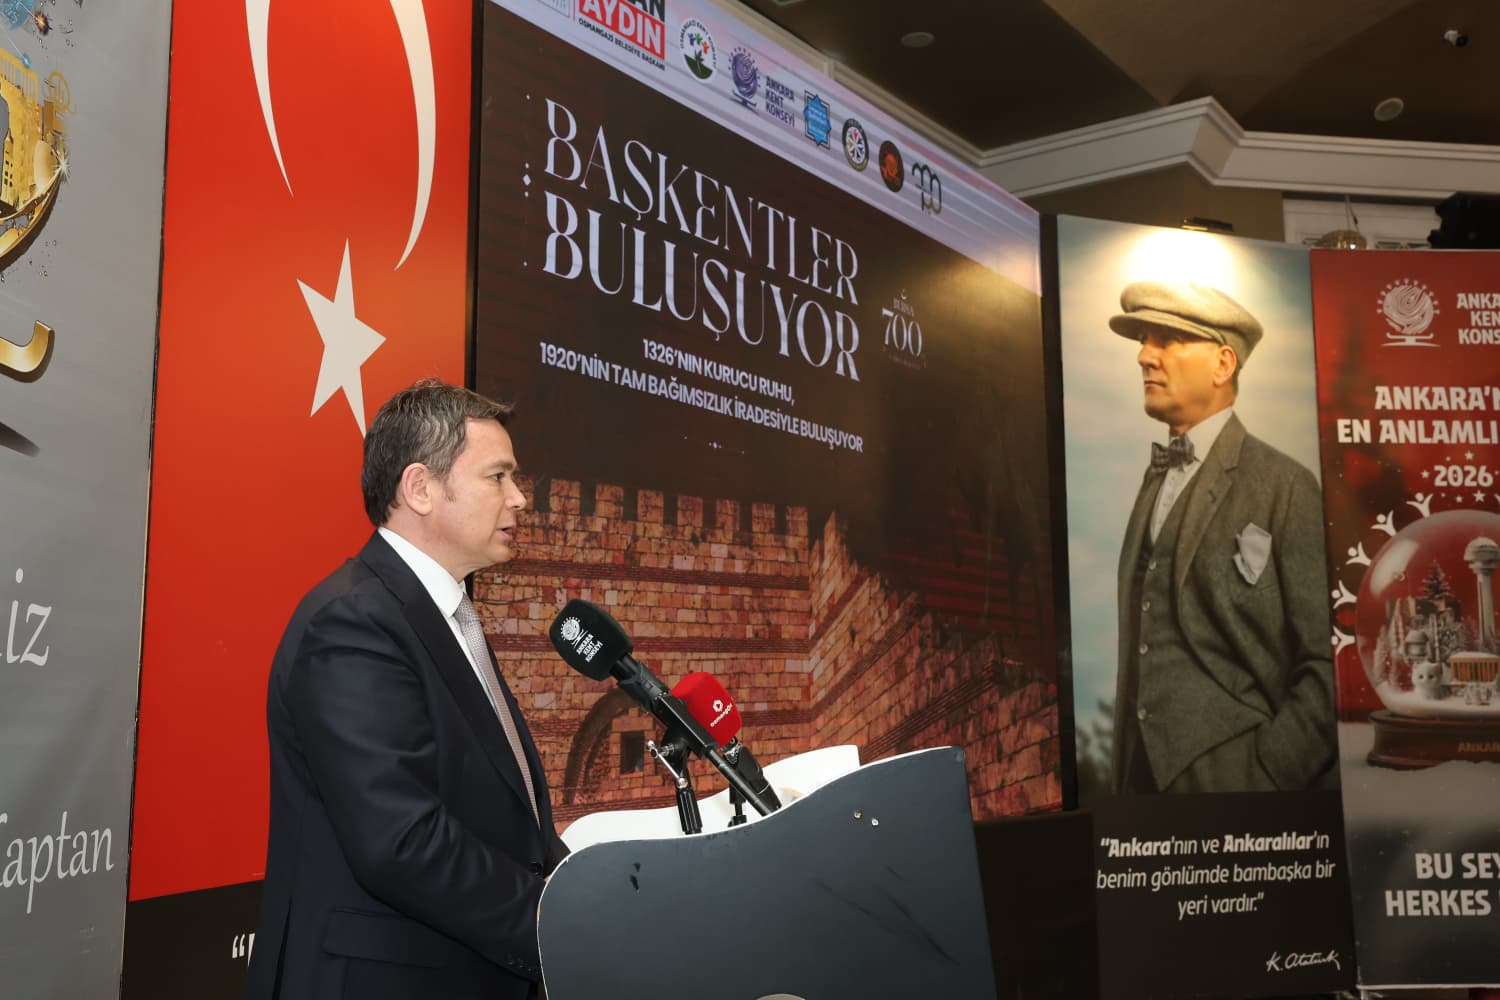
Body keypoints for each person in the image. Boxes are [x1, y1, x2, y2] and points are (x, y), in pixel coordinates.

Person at [244, 379, 567, 999]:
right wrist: (558, 923)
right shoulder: (352, 622)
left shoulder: (442, 615)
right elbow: (402, 840)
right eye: (497, 477)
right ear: (420, 488)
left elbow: (493, 811)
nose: (519, 498)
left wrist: (580, 888)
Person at [1107, 281, 1336, 794]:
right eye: (1144, 340)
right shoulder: (1153, 483)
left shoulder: (1286, 485)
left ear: (1223, 364)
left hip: (1240, 783)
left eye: (1166, 340)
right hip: (1138, 789)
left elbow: (1327, 661)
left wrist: (1270, 773)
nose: (1144, 357)